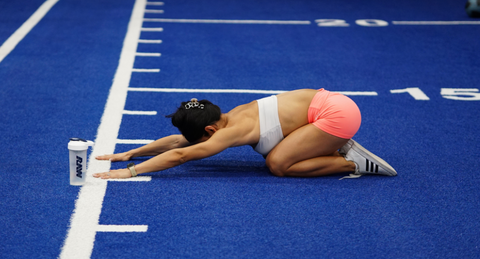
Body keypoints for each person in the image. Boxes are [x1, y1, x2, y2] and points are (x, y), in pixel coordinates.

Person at [93, 89, 397, 179]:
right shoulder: (225, 117)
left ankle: (351, 161)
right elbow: (181, 142)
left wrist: (130, 173)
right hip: (331, 105)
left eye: (203, 136)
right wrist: (131, 153)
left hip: (337, 115)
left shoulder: (230, 132)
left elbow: (183, 154)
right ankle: (334, 147)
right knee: (278, 155)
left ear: (210, 130)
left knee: (278, 164)